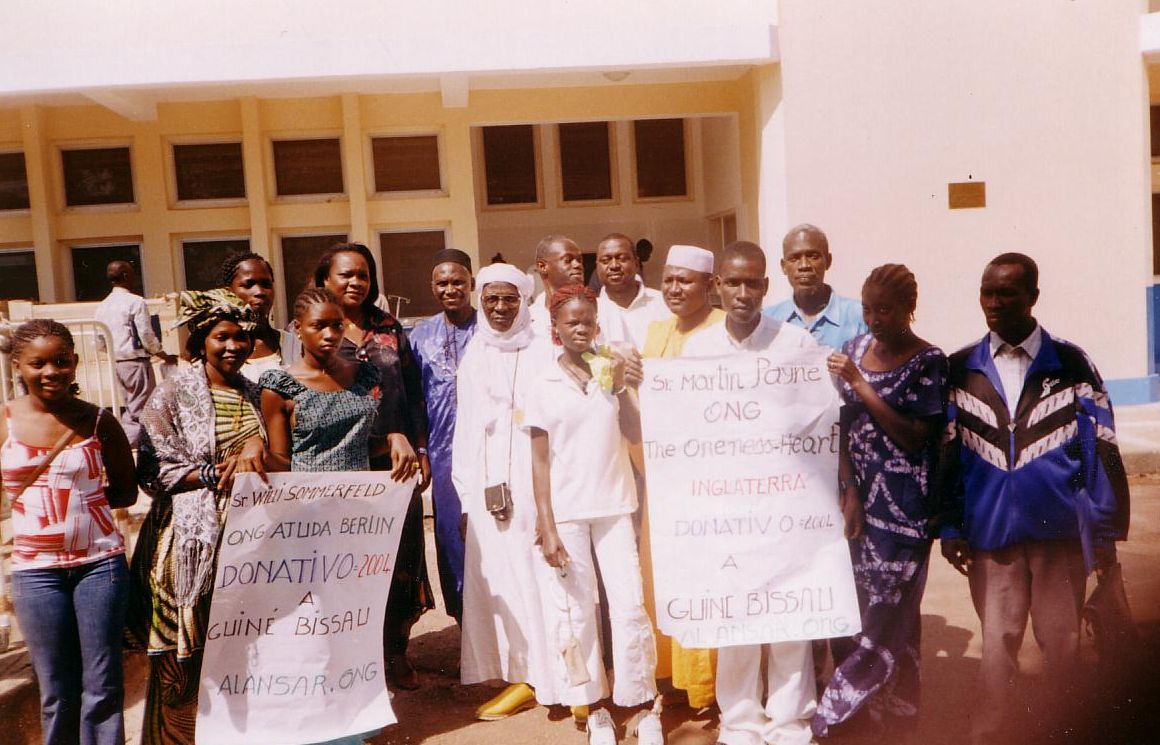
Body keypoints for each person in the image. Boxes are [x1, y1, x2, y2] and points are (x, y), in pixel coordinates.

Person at [935, 253, 1129, 745]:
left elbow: (1102, 445)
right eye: (987, 292)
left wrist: (1104, 528)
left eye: (1007, 293)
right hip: (989, 533)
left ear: (1033, 297)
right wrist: (951, 525)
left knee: (1062, 647)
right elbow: (947, 453)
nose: (994, 303)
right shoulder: (961, 368)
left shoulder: (1070, 363)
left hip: (1058, 532)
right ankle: (991, 735)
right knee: (996, 650)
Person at [259, 287, 419, 745]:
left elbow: (365, 442)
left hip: (357, 518)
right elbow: (280, 461)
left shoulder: (365, 374)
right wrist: (252, 449)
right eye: (319, 326)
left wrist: (395, 437)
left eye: (335, 325)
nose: (330, 334)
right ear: (298, 330)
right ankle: (317, 725)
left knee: (356, 619)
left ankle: (356, 717)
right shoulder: (279, 385)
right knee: (313, 627)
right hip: (306, 521)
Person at [681, 242, 819, 745]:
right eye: (733, 282)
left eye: (752, 283)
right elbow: (683, 426)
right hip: (726, 504)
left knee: (788, 613)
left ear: (766, 285)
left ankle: (790, 721)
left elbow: (818, 424)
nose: (743, 293)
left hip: (785, 500)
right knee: (735, 614)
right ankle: (740, 721)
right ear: (717, 285)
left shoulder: (795, 343)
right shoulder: (697, 350)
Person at [127, 289, 267, 744]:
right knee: (181, 663)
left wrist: (255, 446)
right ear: (201, 340)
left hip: (245, 544)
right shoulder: (172, 392)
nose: (233, 346)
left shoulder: (253, 393)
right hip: (188, 547)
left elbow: (271, 453)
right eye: (222, 337)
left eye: (241, 337)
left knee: (239, 652)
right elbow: (152, 471)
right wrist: (211, 472)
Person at [813, 264, 947, 741]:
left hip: (905, 509)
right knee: (853, 606)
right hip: (857, 505)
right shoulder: (854, 350)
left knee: (890, 613)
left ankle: (849, 709)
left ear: (910, 308)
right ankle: (865, 717)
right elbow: (838, 428)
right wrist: (849, 490)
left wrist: (860, 383)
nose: (874, 320)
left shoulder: (929, 361)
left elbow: (914, 436)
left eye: (885, 310)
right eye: (868, 309)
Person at [527, 283, 663, 745]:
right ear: (555, 327)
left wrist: (621, 386)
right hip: (566, 513)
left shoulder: (610, 370)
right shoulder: (541, 384)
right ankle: (593, 706)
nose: (581, 329)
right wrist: (546, 525)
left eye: (588, 321)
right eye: (572, 322)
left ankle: (640, 702)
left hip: (615, 505)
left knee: (628, 604)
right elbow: (539, 462)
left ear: (597, 324)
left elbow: (634, 433)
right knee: (576, 610)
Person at [1, 319, 137, 745]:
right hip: (35, 573)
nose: (51, 372)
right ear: (17, 366)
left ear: (75, 362)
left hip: (99, 568)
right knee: (55, 689)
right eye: (38, 364)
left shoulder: (98, 422)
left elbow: (126, 491)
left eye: (61, 361)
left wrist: (81, 511)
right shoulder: (4, 422)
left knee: (102, 684)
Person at [304, 242, 433, 689]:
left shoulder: (389, 327)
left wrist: (420, 447)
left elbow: (412, 392)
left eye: (363, 274)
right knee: (349, 563)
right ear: (324, 280)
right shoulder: (313, 330)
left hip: (394, 465)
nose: (356, 282)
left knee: (399, 556)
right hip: (338, 464)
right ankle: (353, 659)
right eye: (346, 274)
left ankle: (395, 650)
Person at [451, 263, 558, 720]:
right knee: (501, 576)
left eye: (509, 299)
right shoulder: (475, 352)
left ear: (523, 301)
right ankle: (520, 674)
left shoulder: (543, 349)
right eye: (491, 299)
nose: (499, 308)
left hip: (537, 477)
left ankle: (551, 673)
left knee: (538, 573)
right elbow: (465, 430)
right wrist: (465, 496)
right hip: (488, 482)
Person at [640, 244, 726, 710]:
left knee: (708, 579)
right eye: (668, 280)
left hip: (712, 483)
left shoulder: (724, 332)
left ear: (709, 285)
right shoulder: (656, 332)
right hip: (664, 481)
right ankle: (673, 676)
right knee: (664, 576)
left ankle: (711, 686)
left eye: (685, 280)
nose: (674, 289)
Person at [409, 248, 478, 622]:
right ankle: (464, 621)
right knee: (452, 536)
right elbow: (416, 399)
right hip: (443, 451)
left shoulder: (490, 329)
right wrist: (422, 450)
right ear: (432, 286)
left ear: (471, 282)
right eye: (442, 283)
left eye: (457, 281)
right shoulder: (421, 335)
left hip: (487, 450)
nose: (450, 289)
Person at [93, 260, 176, 447]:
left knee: (131, 408)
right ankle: (134, 446)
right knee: (142, 410)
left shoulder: (102, 306)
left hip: (118, 364)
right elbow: (146, 334)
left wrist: (116, 351)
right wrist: (163, 355)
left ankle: (129, 443)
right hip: (136, 363)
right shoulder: (135, 302)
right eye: (132, 274)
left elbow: (99, 341)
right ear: (125, 276)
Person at [763, 225, 867, 351]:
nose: (804, 265)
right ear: (783, 266)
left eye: (813, 256)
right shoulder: (767, 320)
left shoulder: (861, 317)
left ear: (828, 261)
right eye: (794, 258)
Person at [221, 252, 292, 382]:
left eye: (266, 284)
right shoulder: (219, 351)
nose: (260, 292)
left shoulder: (294, 344)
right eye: (248, 285)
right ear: (228, 293)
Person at [593, 233, 670, 351]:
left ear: (636, 263)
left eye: (622, 258)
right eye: (605, 260)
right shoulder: (591, 311)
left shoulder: (663, 303)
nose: (614, 265)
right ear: (597, 267)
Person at [530, 235, 584, 329]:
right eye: (568, 260)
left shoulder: (600, 311)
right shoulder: (528, 320)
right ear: (542, 266)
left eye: (579, 260)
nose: (577, 265)